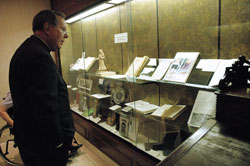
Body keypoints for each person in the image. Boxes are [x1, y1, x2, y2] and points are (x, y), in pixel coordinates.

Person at [9, 10, 75, 166]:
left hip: (30, 139)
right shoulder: (39, 56)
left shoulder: (27, 49)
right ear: (47, 28)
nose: (66, 36)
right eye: (63, 30)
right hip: (45, 146)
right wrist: (58, 143)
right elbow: (46, 107)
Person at [0, 92, 82, 157]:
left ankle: (65, 144)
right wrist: (15, 126)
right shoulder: (13, 94)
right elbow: (1, 110)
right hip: (23, 123)